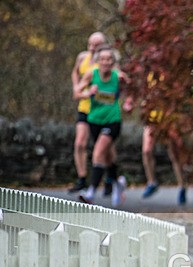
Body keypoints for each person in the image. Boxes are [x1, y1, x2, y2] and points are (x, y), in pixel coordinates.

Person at [73, 45, 130, 207]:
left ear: (113, 62)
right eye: (103, 59)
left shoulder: (118, 77)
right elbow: (76, 93)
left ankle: (90, 192)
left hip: (113, 121)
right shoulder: (92, 75)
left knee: (98, 153)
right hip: (94, 121)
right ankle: (118, 183)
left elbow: (130, 92)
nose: (106, 62)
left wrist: (128, 103)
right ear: (98, 61)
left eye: (109, 59)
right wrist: (88, 93)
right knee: (108, 157)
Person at [68, 32, 107, 193]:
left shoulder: (105, 62)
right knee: (80, 143)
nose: (91, 48)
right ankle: (82, 178)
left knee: (104, 148)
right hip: (84, 107)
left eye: (95, 45)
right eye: (90, 44)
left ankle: (109, 178)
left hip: (100, 109)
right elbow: (75, 72)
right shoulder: (82, 57)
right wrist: (77, 87)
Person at [141, 72, 187, 205]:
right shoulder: (147, 74)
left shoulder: (169, 73)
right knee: (146, 151)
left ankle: (182, 186)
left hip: (167, 120)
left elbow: (176, 96)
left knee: (174, 154)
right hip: (152, 120)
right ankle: (151, 182)